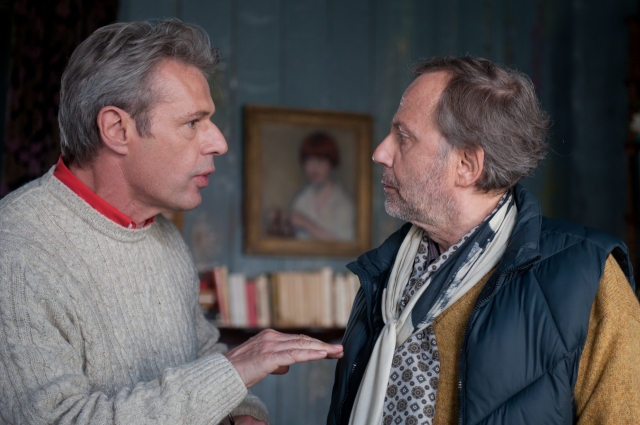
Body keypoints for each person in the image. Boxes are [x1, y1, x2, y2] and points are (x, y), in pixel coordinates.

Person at [0, 20, 343, 425]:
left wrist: (242, 412)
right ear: (117, 129)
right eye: (193, 123)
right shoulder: (16, 250)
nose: (219, 142)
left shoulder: (162, 233)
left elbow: (200, 352)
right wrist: (232, 372)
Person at [327, 56, 640, 425]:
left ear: (467, 166)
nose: (380, 152)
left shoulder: (588, 277)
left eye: (403, 137)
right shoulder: (382, 277)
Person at [290, 132, 355, 241]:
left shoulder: (343, 203)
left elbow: (345, 245)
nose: (314, 167)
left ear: (331, 163)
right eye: (309, 160)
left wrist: (307, 224)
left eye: (320, 160)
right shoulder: (301, 200)